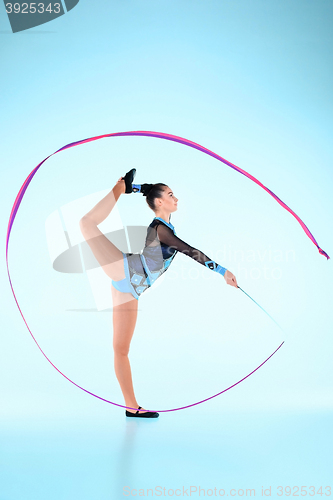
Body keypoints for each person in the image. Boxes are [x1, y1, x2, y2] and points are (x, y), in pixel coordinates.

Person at [79, 169, 238, 418]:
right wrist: (222, 271)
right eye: (171, 195)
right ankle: (116, 190)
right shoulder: (160, 229)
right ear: (160, 202)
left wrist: (136, 187)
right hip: (125, 270)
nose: (177, 199)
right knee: (85, 224)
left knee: (121, 349)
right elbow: (189, 250)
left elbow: (150, 190)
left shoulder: (165, 225)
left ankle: (132, 408)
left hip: (132, 289)